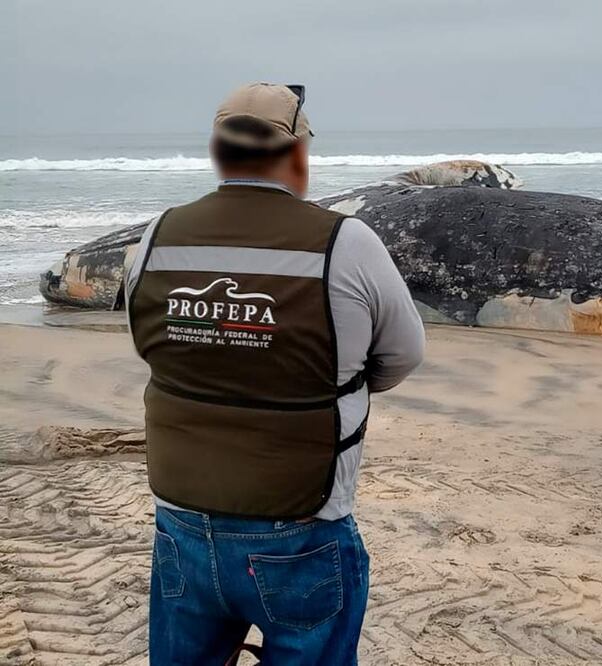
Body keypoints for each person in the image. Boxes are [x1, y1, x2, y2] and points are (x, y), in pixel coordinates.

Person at [124, 82, 425, 665]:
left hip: (181, 527)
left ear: (219, 153)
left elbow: (154, 349)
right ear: (296, 154)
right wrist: (323, 383)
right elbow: (403, 355)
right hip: (301, 529)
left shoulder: (156, 237)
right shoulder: (347, 243)